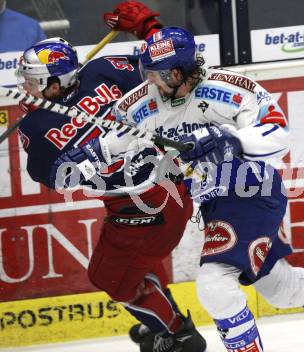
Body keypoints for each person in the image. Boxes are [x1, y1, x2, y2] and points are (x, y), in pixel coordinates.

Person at [113, 26, 304, 352]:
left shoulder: (228, 88)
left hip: (250, 190)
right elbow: (114, 140)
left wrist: (233, 140)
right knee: (279, 286)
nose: (151, 83)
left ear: (177, 73)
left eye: (157, 75)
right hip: (216, 204)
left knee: (215, 285)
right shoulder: (142, 103)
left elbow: (278, 131)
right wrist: (91, 154)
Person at [15, 4, 207, 352]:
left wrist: (150, 29)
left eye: (33, 82)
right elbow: (55, 178)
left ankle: (179, 335)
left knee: (110, 278)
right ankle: (160, 323)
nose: (26, 89)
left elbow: (163, 72)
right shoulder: (86, 83)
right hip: (159, 200)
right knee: (136, 268)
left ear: (56, 84)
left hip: (146, 204)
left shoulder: (102, 72)